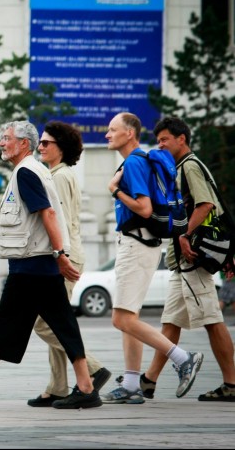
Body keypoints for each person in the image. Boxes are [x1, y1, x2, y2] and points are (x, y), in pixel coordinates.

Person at [0, 120, 101, 410]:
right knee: (60, 325)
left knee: (5, 324)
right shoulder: (32, 170)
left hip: (31, 267)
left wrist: (60, 254)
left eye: (7, 138)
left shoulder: (27, 171)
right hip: (37, 267)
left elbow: (48, 213)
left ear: (23, 144)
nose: (2, 143)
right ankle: (86, 386)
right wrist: (58, 256)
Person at [102, 112, 204, 404]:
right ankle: (133, 383)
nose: (108, 134)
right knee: (128, 316)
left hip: (136, 245)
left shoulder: (134, 161)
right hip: (141, 245)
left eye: (113, 129)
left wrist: (115, 190)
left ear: (130, 133)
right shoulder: (138, 160)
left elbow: (144, 209)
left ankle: (183, 358)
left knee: (121, 318)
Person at [140, 117, 235, 401]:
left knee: (211, 319)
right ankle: (148, 380)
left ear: (182, 139)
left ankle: (231, 384)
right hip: (182, 261)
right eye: (158, 140)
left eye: (165, 139)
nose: (161, 144)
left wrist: (183, 234)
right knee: (171, 322)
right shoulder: (179, 167)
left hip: (193, 256)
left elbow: (206, 204)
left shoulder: (190, 165)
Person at [28, 121, 111, 407]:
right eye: (40, 142)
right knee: (56, 319)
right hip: (64, 254)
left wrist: (58, 256)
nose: (40, 146)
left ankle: (93, 368)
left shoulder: (59, 178)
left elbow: (57, 221)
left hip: (63, 257)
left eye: (46, 143)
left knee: (45, 323)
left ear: (60, 148)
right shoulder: (58, 174)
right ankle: (58, 385)